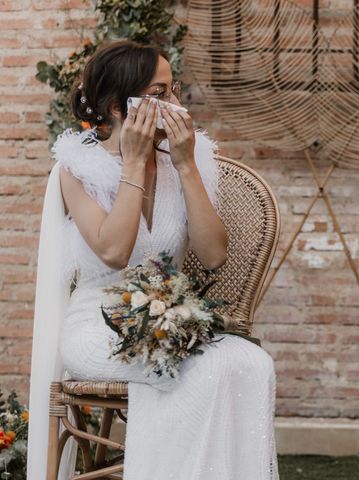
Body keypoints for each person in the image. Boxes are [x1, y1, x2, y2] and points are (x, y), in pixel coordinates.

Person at [27, 41, 279, 480]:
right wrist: (136, 163)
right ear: (118, 108)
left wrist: (185, 168)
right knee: (195, 373)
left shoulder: (192, 157)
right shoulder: (77, 169)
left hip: (170, 320)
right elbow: (113, 250)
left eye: (173, 89)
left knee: (254, 364)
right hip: (96, 326)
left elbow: (214, 254)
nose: (176, 104)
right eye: (160, 94)